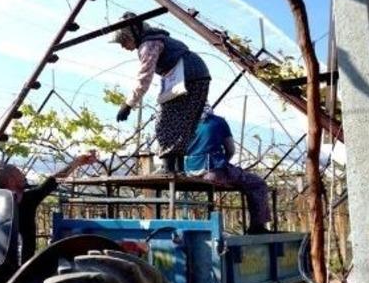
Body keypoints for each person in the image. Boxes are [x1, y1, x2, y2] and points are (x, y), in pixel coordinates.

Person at [112, 12, 211, 172]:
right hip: (198, 76)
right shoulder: (158, 39)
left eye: (124, 41)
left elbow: (144, 77)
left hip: (188, 77)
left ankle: (169, 168)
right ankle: (177, 168)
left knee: (164, 122)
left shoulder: (148, 45)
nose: (124, 46)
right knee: (181, 123)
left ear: (133, 35)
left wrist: (128, 104)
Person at [0, 151, 98, 262]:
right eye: (19, 174)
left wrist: (76, 163)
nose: (23, 176)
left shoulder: (29, 199)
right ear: (11, 181)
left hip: (24, 269)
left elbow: (53, 181)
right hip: (4, 266)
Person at [184, 106, 271, 234]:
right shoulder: (218, 122)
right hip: (213, 172)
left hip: (188, 172)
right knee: (257, 184)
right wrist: (223, 162)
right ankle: (257, 227)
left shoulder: (184, 123)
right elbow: (231, 150)